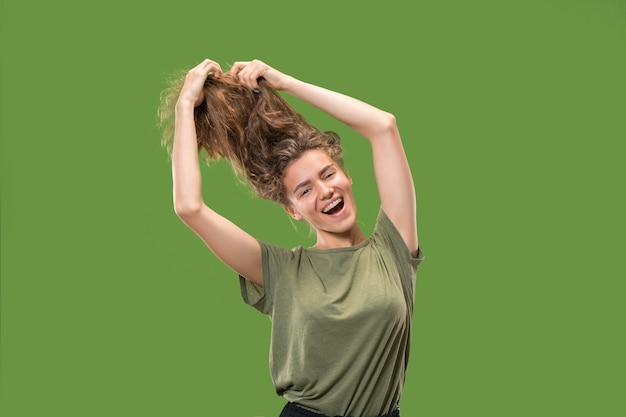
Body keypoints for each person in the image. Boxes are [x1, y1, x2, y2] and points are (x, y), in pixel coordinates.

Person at [158, 58, 424, 417]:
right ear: (293, 209)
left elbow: (383, 125)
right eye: (305, 190)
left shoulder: (393, 249)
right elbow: (189, 207)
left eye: (328, 174)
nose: (325, 191)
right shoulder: (280, 270)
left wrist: (286, 82)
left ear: (346, 176)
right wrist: (185, 106)